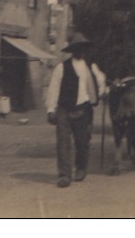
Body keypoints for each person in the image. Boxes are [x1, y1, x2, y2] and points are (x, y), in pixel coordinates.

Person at [45, 31, 107, 188]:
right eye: (77, 48)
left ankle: (80, 168)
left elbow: (101, 82)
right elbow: (54, 88)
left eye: (82, 48)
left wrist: (101, 93)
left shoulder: (91, 67)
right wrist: (51, 109)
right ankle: (65, 175)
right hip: (64, 108)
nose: (80, 51)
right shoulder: (62, 68)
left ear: (85, 50)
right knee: (63, 142)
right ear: (72, 51)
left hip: (84, 109)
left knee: (82, 141)